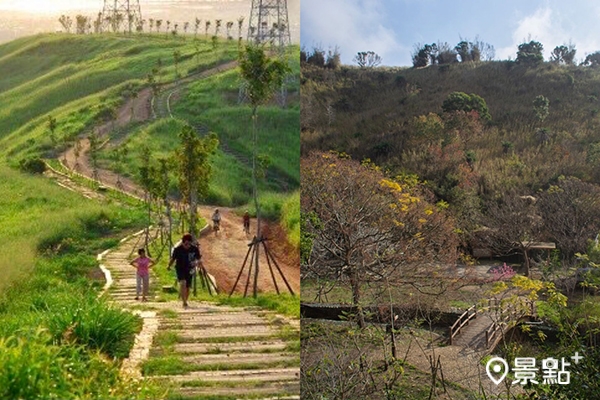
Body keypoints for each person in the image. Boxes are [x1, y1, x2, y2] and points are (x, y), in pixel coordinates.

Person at [168, 233, 202, 308]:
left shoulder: (194, 249)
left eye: (189, 244)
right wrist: (169, 266)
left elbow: (198, 258)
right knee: (183, 282)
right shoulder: (178, 249)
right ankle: (184, 302)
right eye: (186, 244)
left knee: (187, 287)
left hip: (190, 269)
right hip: (180, 268)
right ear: (183, 242)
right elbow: (173, 259)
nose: (187, 246)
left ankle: (185, 300)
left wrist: (199, 263)